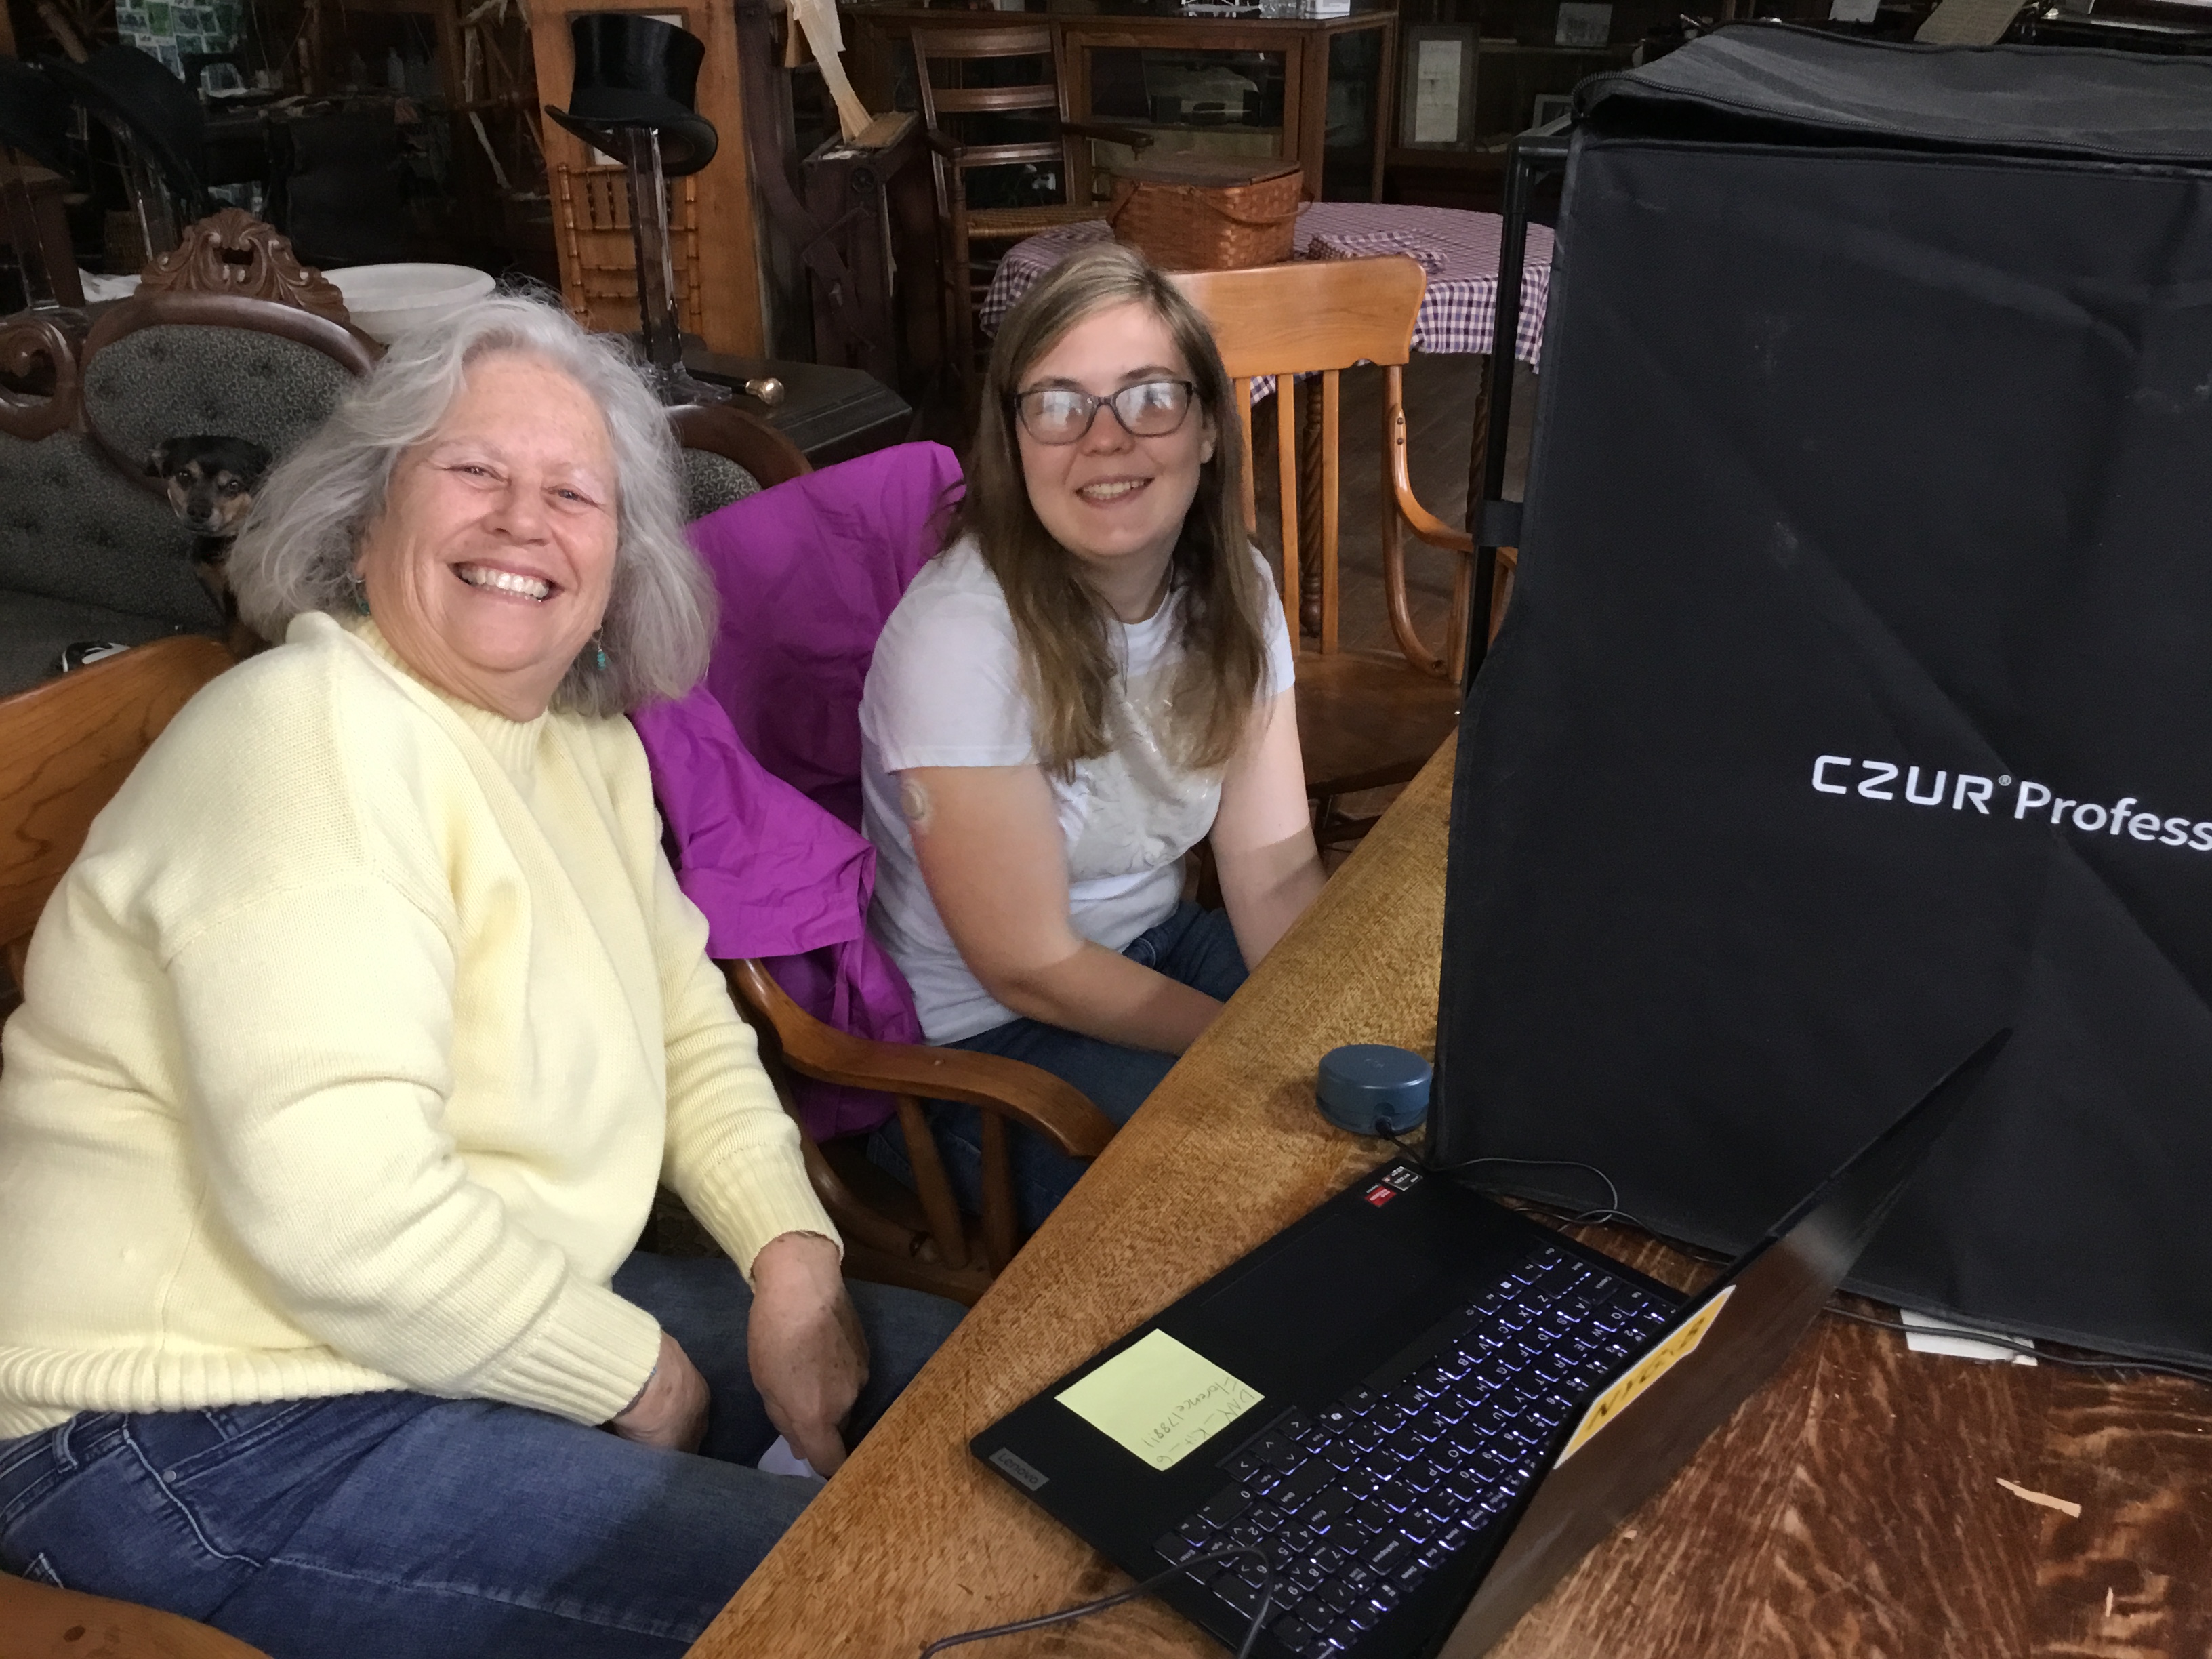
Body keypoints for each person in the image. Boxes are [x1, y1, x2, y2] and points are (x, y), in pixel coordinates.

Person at [0, 296, 963, 1659]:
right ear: (365, 514)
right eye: (472, 472)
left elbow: (690, 1031)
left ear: (622, 561)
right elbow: (345, 1214)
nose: (525, 523)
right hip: (187, 1424)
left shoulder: (584, 748)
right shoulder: (314, 737)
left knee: (980, 1404)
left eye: (575, 494)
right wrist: (637, 1379)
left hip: (425, 1323)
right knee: (898, 1598)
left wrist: (792, 1261)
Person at [861, 244, 1325, 1230]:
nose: (1105, 439)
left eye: (1150, 397)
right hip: (994, 1039)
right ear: (1014, 441)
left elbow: (1275, 872)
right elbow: (1029, 963)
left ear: (1206, 428)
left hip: (1157, 950)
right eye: (1061, 405)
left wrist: (1317, 1036)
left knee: (1391, 1106)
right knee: (1248, 1210)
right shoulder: (959, 638)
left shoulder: (1234, 584)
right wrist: (1251, 1049)